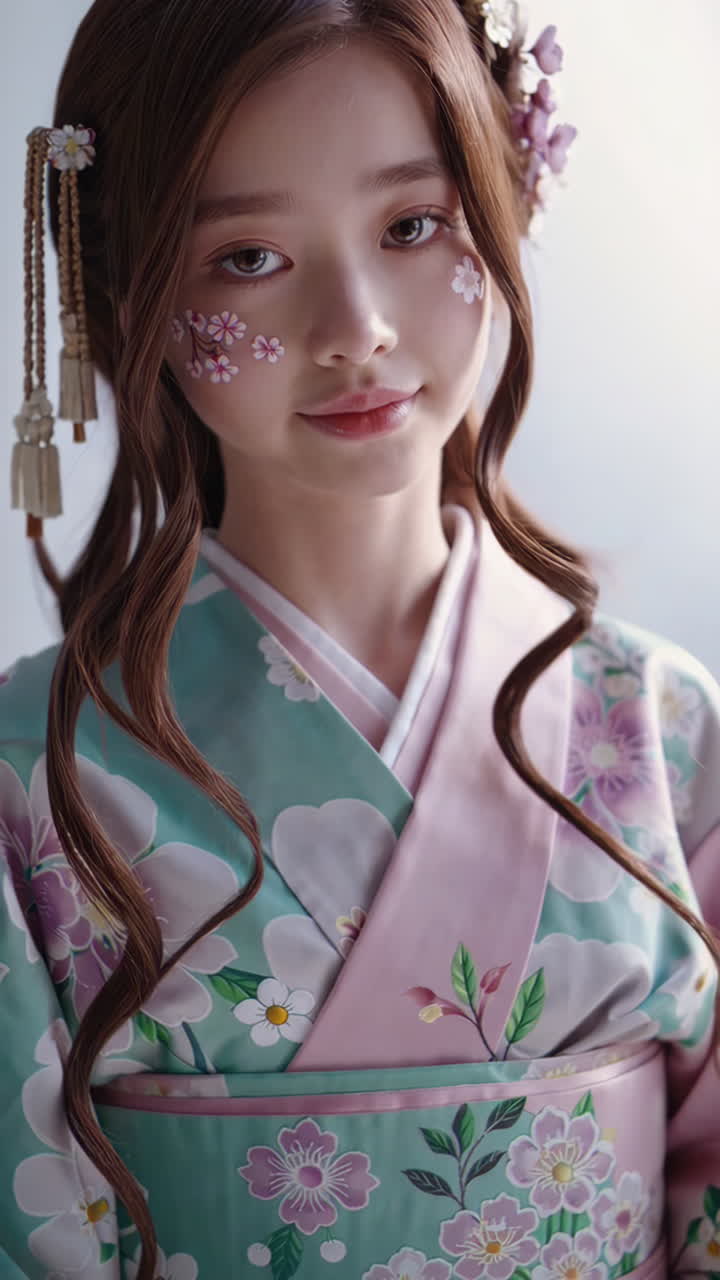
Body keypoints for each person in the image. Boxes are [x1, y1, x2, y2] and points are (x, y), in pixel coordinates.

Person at [1, 1, 719, 1277]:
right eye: (246, 259)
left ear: (504, 207)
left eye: (411, 225)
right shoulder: (30, 774)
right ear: (129, 296)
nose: (355, 326)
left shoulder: (667, 731)